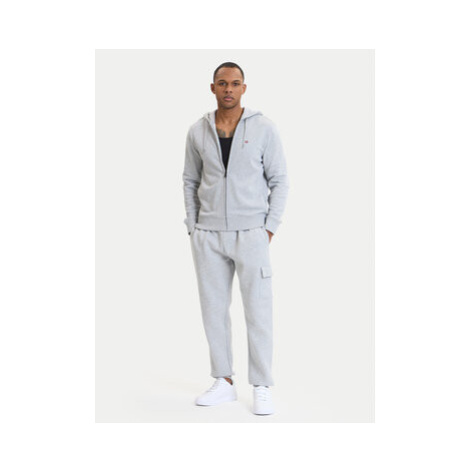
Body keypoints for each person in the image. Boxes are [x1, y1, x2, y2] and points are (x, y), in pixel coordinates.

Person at [182, 62, 289, 415]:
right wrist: (194, 226)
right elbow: (190, 180)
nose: (229, 88)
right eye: (222, 83)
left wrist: (268, 228)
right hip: (208, 235)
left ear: (244, 88)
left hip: (252, 234)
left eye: (235, 83)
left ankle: (261, 385)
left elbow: (279, 180)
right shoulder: (197, 131)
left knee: (258, 310)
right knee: (214, 311)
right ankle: (224, 381)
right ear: (213, 87)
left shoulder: (264, 128)